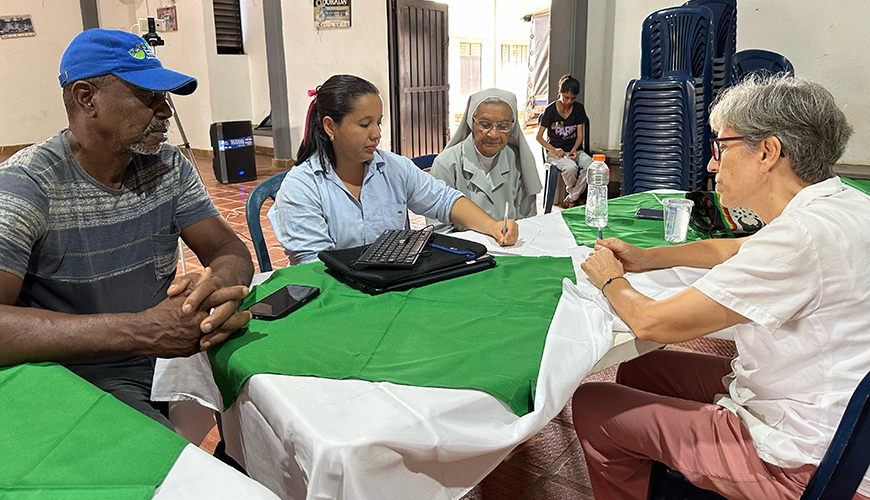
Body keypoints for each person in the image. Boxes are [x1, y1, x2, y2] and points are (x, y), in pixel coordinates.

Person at [573, 74, 870, 500]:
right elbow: (733, 248)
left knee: (592, 405)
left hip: (805, 460)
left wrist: (610, 278)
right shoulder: (846, 204)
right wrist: (650, 257)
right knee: (643, 369)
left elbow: (653, 323)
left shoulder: (799, 238)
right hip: (839, 416)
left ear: (767, 152)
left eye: (721, 148)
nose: (713, 166)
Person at [0, 29, 254, 429]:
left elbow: (228, 249)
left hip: (172, 354)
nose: (165, 110)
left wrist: (215, 290)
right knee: (167, 461)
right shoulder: (26, 185)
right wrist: (142, 331)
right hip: (84, 374)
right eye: (148, 96)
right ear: (87, 98)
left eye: (164, 96)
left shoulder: (168, 166)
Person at [268, 75, 519, 265]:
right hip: (336, 294)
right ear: (330, 126)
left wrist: (492, 226)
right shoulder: (303, 186)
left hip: (390, 283)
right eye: (365, 124)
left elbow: (444, 200)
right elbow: (314, 265)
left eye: (378, 123)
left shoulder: (392, 167)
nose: (376, 134)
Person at [428, 88, 542, 231]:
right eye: (485, 124)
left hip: (508, 243)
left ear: (512, 126)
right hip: (461, 243)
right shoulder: (446, 164)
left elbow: (527, 221)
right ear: (471, 122)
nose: (493, 134)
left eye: (503, 126)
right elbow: (439, 230)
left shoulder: (518, 162)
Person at [536, 74, 593, 208]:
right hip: (555, 152)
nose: (569, 101)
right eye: (566, 97)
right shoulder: (550, 110)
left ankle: (572, 197)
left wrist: (574, 149)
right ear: (560, 92)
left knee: (591, 166)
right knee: (571, 168)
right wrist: (554, 150)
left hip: (574, 150)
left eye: (572, 98)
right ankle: (574, 198)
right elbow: (539, 137)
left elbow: (580, 135)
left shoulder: (578, 109)